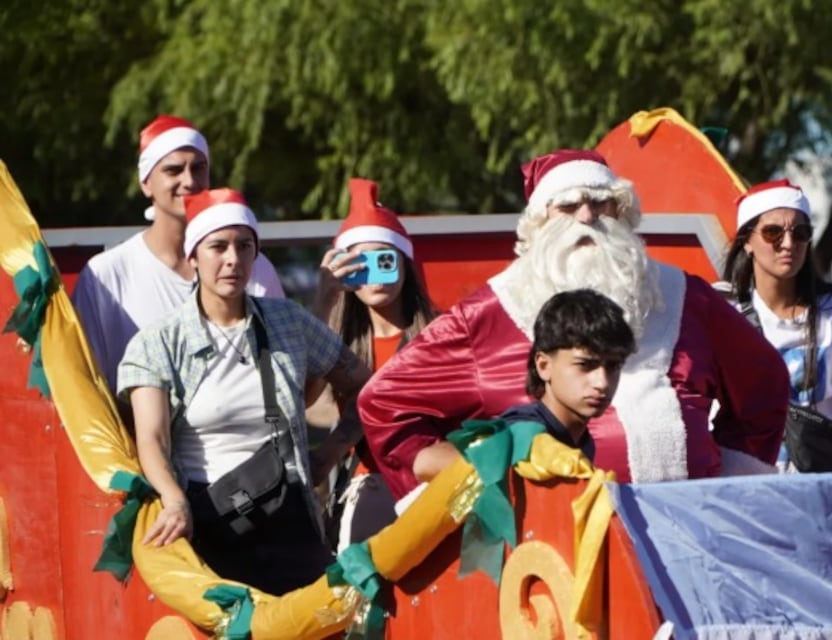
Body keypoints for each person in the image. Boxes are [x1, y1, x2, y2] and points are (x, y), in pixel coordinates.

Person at [358, 148, 790, 503]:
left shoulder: (682, 296)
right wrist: (473, 484)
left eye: (601, 202)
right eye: (568, 205)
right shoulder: (490, 312)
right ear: (540, 221)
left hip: (688, 535)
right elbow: (384, 405)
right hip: (549, 564)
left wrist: (729, 480)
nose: (586, 217)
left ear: (622, 212)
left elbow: (764, 385)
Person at [117, 188, 371, 595]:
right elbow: (152, 438)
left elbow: (367, 388)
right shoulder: (157, 343)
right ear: (192, 256)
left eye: (244, 246)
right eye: (218, 246)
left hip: (290, 522)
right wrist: (173, 499)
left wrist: (330, 453)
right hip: (204, 523)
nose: (233, 259)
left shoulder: (287, 321)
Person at [72, 115, 284, 393]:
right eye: (173, 170)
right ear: (146, 182)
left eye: (199, 168)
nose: (189, 181)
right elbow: (87, 385)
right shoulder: (106, 275)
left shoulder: (251, 266)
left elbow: (285, 365)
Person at [721, 179, 832, 470]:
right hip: (748, 489)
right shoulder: (725, 313)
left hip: (825, 487)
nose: (788, 244)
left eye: (800, 233)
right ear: (747, 242)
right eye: (773, 232)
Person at [307, 177, 436, 548]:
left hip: (427, 486)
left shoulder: (438, 335)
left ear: (404, 265)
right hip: (367, 486)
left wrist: (329, 452)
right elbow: (302, 394)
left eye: (385, 259)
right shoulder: (339, 343)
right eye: (361, 262)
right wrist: (324, 297)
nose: (375, 273)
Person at [497, 289, 637, 461]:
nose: (602, 383)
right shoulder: (519, 435)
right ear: (544, 365)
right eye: (584, 365)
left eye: (614, 366)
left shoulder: (581, 440)